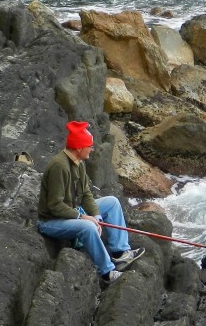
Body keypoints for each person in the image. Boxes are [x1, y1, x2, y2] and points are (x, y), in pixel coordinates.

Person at [37, 120, 143, 284]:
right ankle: (107, 272)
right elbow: (54, 206)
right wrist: (83, 218)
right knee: (87, 227)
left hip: (70, 212)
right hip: (51, 221)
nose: (92, 149)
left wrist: (97, 217)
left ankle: (120, 254)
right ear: (79, 148)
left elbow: (86, 193)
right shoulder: (60, 167)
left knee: (112, 202)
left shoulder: (78, 163)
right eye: (90, 146)